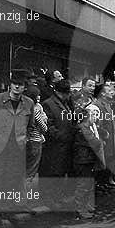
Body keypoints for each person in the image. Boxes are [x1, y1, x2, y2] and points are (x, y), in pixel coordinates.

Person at [0, 69, 34, 214]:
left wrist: (23, 140)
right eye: (14, 84)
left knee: (12, 179)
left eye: (20, 85)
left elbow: (30, 125)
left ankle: (8, 210)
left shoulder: (29, 103)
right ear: (10, 85)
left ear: (24, 87)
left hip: (17, 148)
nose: (17, 87)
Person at [39, 79, 75, 212]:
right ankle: (49, 199)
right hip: (54, 146)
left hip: (65, 145)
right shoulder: (48, 104)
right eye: (65, 94)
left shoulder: (66, 104)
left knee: (60, 172)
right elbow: (48, 125)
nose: (67, 96)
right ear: (58, 92)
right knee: (52, 173)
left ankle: (57, 197)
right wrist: (60, 136)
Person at [72, 102, 106, 219]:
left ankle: (85, 206)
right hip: (83, 160)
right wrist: (101, 142)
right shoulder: (83, 129)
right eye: (93, 116)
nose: (95, 118)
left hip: (87, 160)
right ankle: (80, 209)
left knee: (88, 184)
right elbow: (95, 142)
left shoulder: (87, 127)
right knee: (83, 185)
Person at [24, 85, 48, 188]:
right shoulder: (36, 109)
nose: (39, 97)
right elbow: (43, 127)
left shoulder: (23, 106)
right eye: (37, 95)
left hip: (26, 140)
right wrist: (44, 120)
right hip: (35, 141)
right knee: (31, 171)